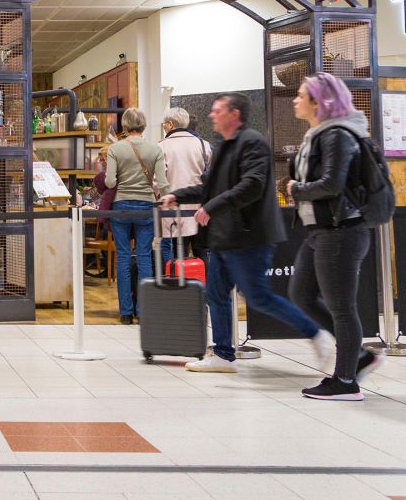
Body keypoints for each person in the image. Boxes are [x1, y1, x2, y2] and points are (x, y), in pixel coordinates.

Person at [162, 93, 334, 373]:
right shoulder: (223, 147)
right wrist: (177, 196)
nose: (211, 115)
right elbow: (210, 188)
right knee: (216, 294)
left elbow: (252, 185)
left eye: (218, 110)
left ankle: (317, 334)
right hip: (223, 237)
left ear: (234, 114)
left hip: (249, 236)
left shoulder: (253, 142)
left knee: (258, 297)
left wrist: (212, 207)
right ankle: (223, 354)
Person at [287, 73, 379, 401]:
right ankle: (358, 357)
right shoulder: (318, 134)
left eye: (301, 95)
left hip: (342, 231)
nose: (295, 100)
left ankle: (345, 381)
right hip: (321, 231)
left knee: (342, 307)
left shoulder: (337, 135)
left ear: (319, 101)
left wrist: (296, 189)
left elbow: (332, 184)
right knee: (301, 294)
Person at [105, 108, 168, 325]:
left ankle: (125, 313)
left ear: (124, 125)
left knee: (122, 257)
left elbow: (110, 182)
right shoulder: (155, 150)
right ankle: (144, 311)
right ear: (144, 125)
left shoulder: (115, 149)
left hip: (121, 206)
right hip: (146, 206)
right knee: (144, 257)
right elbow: (163, 183)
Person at [159, 107, 212, 264]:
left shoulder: (162, 146)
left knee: (178, 255)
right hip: (200, 208)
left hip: (174, 207)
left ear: (169, 125)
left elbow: (158, 180)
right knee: (202, 254)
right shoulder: (204, 145)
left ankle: (182, 288)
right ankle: (205, 287)